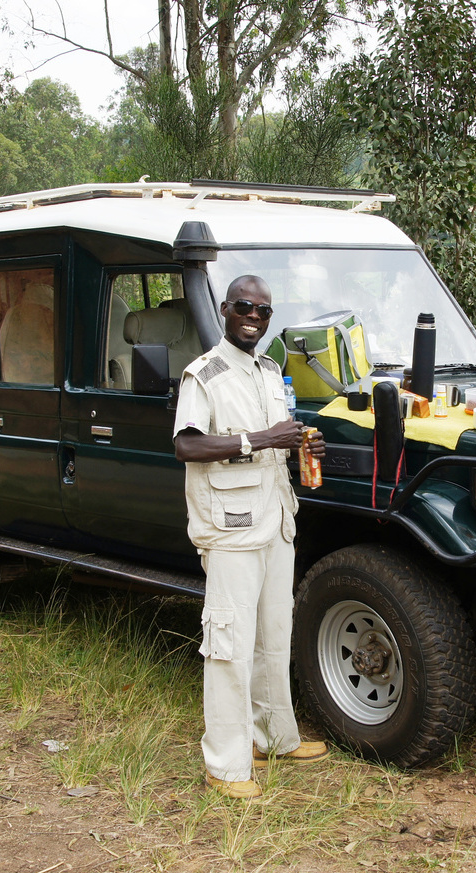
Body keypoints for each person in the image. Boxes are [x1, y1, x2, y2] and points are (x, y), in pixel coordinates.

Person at [173, 274, 329, 799]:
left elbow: (277, 439)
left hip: (275, 521)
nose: (253, 317)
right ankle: (226, 761)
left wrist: (301, 442)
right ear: (225, 309)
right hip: (230, 528)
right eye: (244, 306)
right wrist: (261, 439)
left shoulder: (268, 369)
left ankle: (274, 737)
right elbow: (187, 447)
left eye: (263, 311)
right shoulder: (205, 375)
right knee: (229, 644)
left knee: (272, 636)